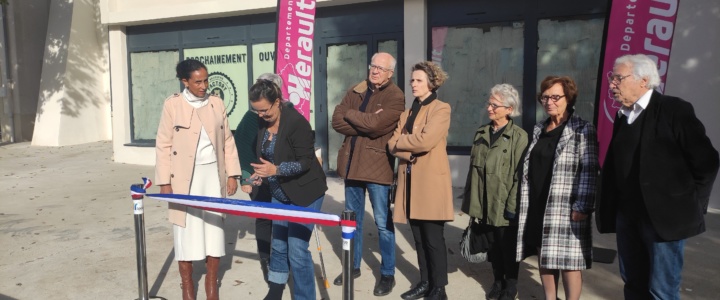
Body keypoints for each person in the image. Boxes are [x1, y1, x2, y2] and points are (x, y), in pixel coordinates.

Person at [596, 54, 719, 300]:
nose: (612, 84)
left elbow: (707, 161)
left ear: (643, 80)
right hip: (628, 217)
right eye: (612, 78)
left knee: (661, 290)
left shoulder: (674, 109)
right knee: (633, 283)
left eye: (618, 78)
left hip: (662, 220)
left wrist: (691, 204)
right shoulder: (624, 116)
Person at [155, 59, 241, 300]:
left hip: (213, 175)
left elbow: (227, 141)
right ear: (185, 81)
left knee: (214, 229)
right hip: (183, 178)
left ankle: (211, 285)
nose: (204, 85)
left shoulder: (216, 103)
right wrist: (165, 182)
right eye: (198, 81)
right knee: (185, 230)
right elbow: (163, 144)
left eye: (206, 80)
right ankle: (187, 287)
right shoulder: (173, 105)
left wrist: (232, 174)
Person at [515, 76, 598, 300]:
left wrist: (583, 205)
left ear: (568, 98)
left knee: (570, 262)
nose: (549, 101)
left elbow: (589, 170)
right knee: (545, 255)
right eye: (545, 97)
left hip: (567, 205)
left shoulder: (582, 129)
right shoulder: (539, 129)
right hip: (538, 201)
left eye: (555, 96)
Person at [244, 79, 328, 300]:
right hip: (279, 192)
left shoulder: (296, 123)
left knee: (297, 250)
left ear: (277, 102)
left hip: (305, 193)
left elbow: (305, 162)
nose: (260, 115)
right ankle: (276, 288)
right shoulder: (263, 121)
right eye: (256, 111)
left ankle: (304, 297)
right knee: (279, 244)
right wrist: (260, 174)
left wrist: (275, 170)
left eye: (264, 110)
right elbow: (265, 156)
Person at [330, 52, 406, 295]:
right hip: (352, 163)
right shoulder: (357, 89)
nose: (374, 71)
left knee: (383, 224)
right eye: (372, 65)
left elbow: (376, 126)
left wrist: (353, 116)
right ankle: (353, 266)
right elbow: (336, 120)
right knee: (353, 221)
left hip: (377, 166)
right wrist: (364, 120)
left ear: (390, 73)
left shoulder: (396, 96)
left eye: (380, 68)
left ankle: (387, 273)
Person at [388, 61, 453, 300]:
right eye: (412, 80)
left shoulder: (441, 109)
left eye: (418, 80)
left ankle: (439, 288)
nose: (413, 84)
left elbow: (426, 141)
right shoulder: (407, 112)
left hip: (431, 185)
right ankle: (425, 282)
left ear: (431, 82)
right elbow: (391, 144)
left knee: (433, 239)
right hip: (410, 185)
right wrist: (410, 147)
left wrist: (406, 142)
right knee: (418, 238)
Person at [461, 84, 527, 300]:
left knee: (507, 247)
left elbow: (520, 177)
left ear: (509, 109)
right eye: (489, 103)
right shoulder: (481, 132)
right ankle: (497, 281)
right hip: (484, 202)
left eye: (494, 105)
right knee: (493, 247)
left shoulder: (519, 137)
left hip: (504, 202)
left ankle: (511, 286)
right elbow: (474, 173)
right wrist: (472, 204)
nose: (489, 108)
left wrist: (512, 206)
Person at [234, 73, 284, 283]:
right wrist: (245, 178)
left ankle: (282, 261)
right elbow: (242, 146)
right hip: (258, 177)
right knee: (264, 219)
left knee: (283, 220)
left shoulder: (288, 113)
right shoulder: (250, 117)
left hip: (282, 175)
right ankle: (266, 261)